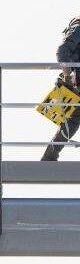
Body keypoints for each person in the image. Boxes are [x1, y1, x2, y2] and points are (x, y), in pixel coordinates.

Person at [42, 16, 80, 161]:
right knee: (73, 120)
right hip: (76, 83)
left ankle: (49, 157)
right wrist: (67, 75)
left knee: (73, 120)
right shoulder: (78, 29)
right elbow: (62, 50)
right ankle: (50, 156)